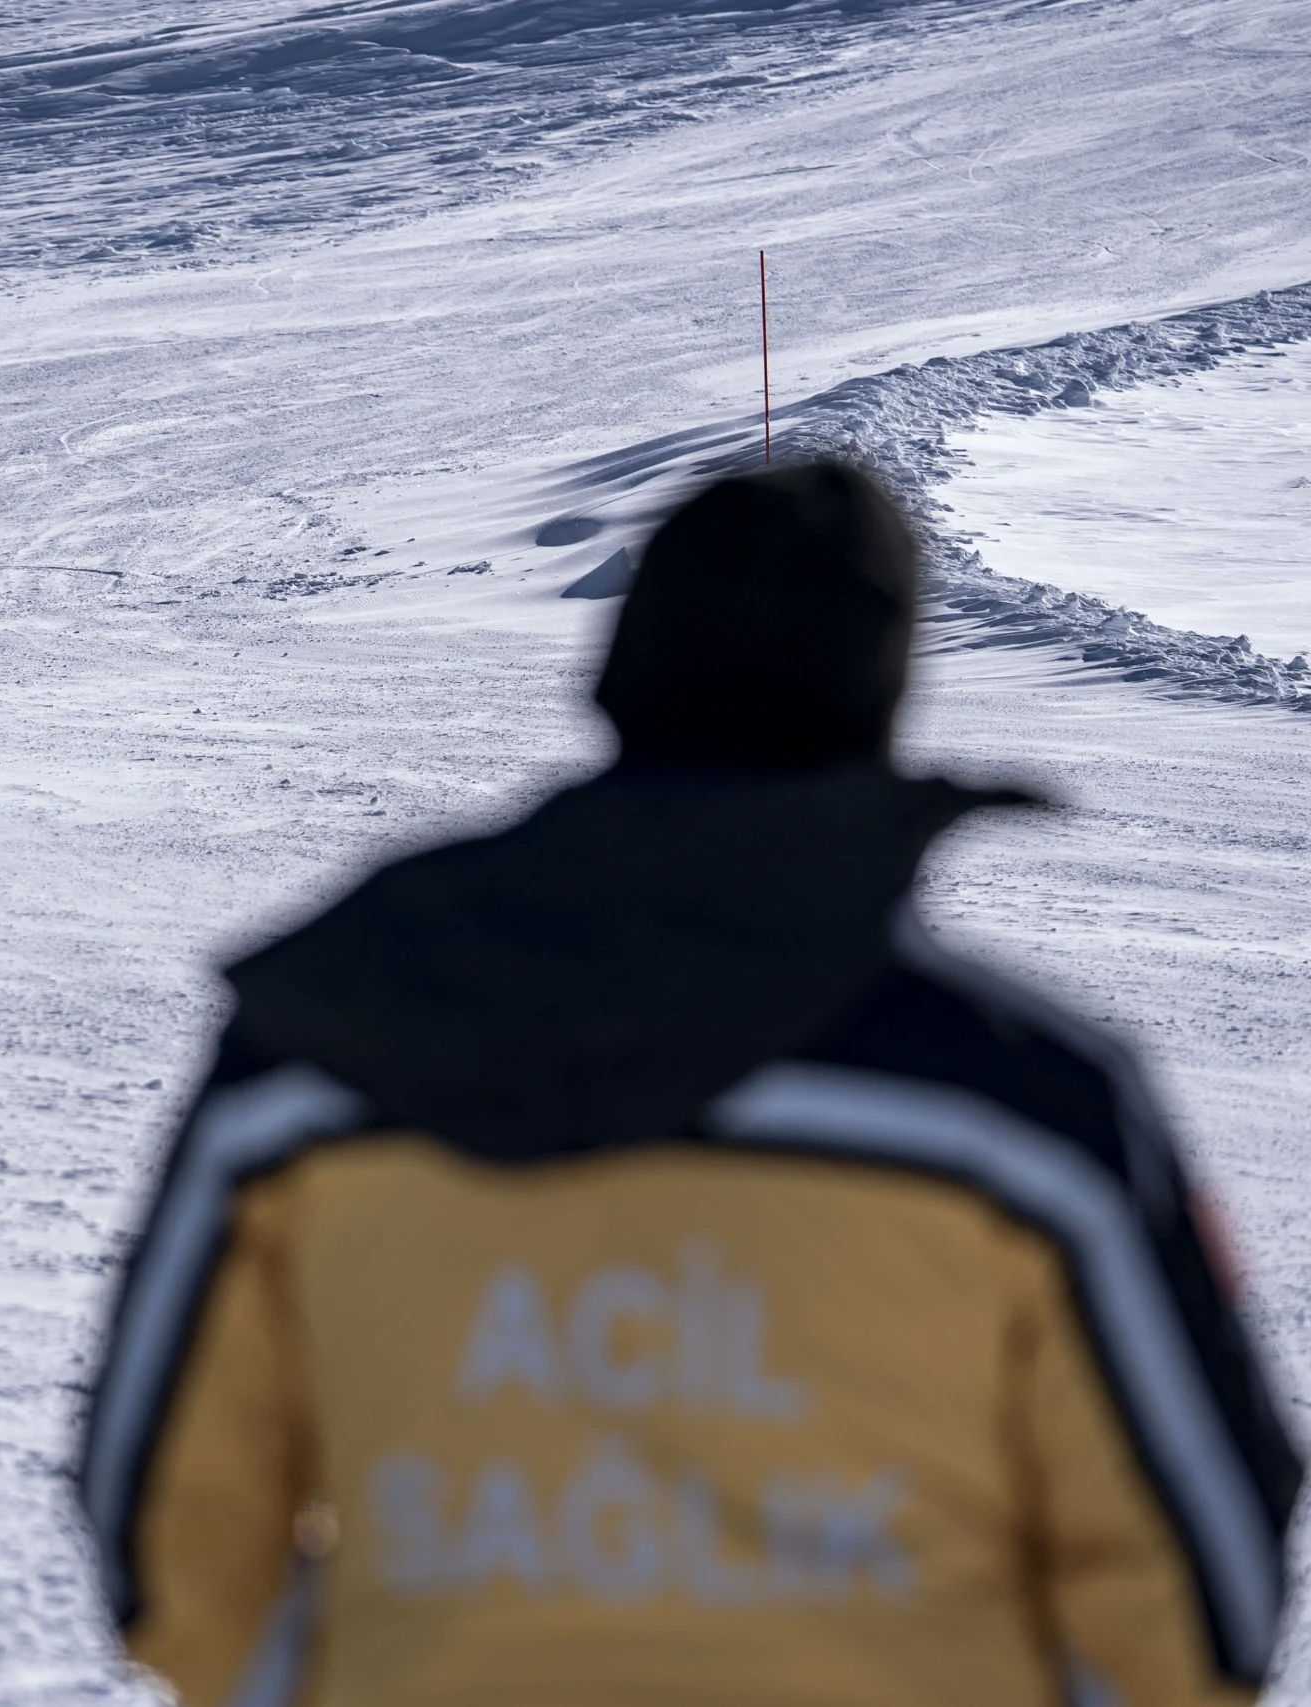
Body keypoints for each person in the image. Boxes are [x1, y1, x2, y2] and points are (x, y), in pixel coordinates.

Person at [77, 462, 1298, 1707]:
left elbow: (161, 1526)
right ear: (879, 701)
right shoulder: (1020, 1108)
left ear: (622, 676)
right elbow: (1203, 1597)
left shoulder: (315, 1044)